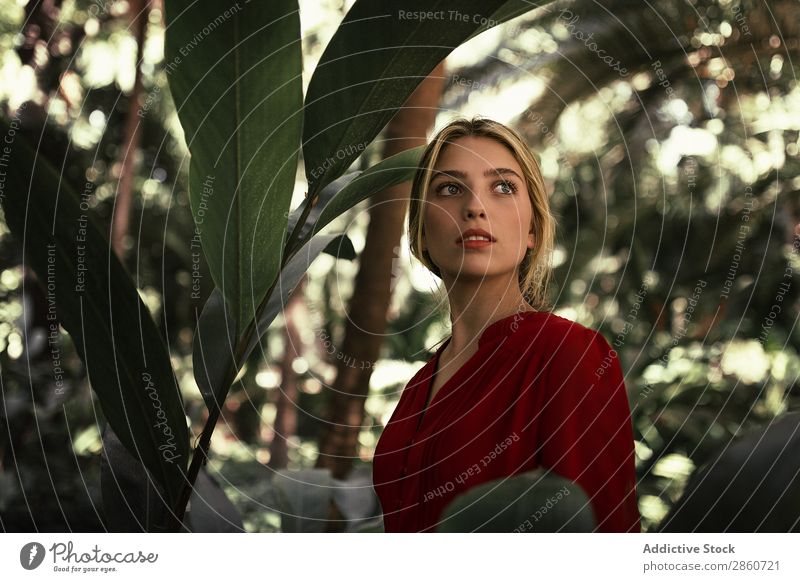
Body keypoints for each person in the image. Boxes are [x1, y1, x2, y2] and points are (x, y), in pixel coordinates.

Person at [371, 116, 640, 533]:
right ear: (421, 231)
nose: (475, 207)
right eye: (449, 188)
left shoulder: (568, 353)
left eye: (503, 187)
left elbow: (602, 529)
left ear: (532, 229)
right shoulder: (417, 389)